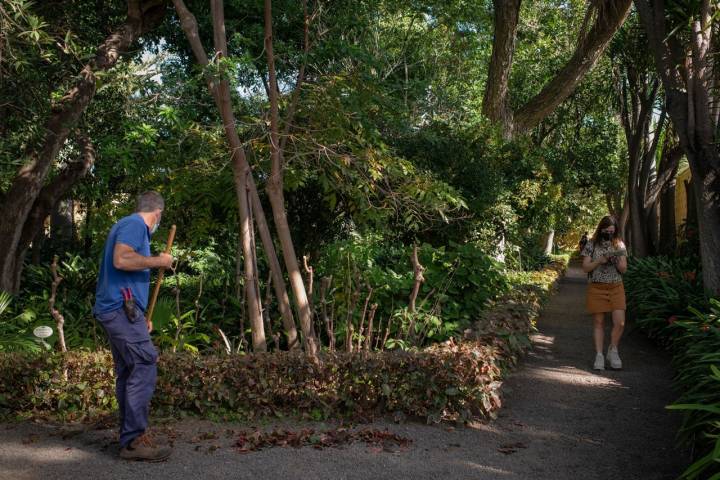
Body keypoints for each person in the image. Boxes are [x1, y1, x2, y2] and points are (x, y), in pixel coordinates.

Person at [93, 191, 174, 461]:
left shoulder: (128, 226)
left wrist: (139, 315)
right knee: (145, 363)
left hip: (123, 310)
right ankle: (134, 439)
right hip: (118, 308)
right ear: (157, 214)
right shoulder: (135, 225)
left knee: (129, 370)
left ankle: (130, 438)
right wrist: (159, 261)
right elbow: (122, 259)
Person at [580, 216, 627, 371]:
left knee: (620, 322)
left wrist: (615, 258)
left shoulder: (619, 244)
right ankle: (599, 355)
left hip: (615, 286)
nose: (609, 235)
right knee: (599, 322)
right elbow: (585, 268)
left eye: (612, 232)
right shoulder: (591, 244)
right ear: (601, 229)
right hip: (597, 287)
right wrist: (599, 261)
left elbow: (623, 269)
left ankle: (613, 350)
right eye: (606, 231)